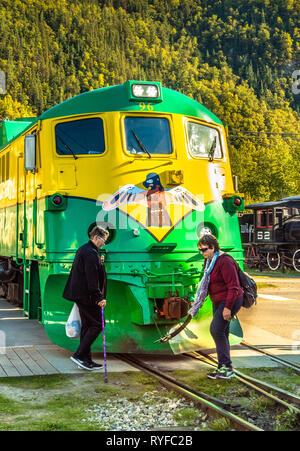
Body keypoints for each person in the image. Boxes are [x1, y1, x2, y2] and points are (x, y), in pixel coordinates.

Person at [197, 234, 243, 379]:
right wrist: (199, 300)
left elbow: (234, 287)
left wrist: (228, 308)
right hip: (218, 301)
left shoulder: (225, 261)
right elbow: (207, 282)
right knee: (222, 331)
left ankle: (227, 368)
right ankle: (223, 367)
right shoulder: (209, 261)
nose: (202, 253)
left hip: (231, 300)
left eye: (204, 250)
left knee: (216, 330)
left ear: (212, 247)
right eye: (200, 250)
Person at [63, 226, 109, 371]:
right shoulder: (90, 253)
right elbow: (91, 278)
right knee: (98, 325)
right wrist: (98, 297)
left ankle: (86, 360)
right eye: (103, 240)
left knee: (88, 326)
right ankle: (79, 355)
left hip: (83, 295)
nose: (103, 244)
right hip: (87, 297)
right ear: (96, 237)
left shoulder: (87, 250)